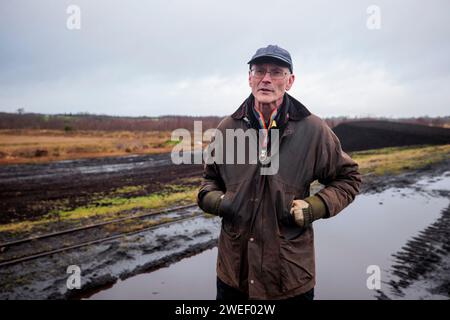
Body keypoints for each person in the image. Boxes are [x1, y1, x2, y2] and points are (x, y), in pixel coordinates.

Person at [197, 44, 362, 300]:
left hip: (289, 278)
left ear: (290, 80)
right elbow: (209, 180)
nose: (266, 78)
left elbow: (349, 178)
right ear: (249, 78)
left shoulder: (313, 130)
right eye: (259, 71)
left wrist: (315, 206)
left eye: (276, 71)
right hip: (234, 276)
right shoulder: (227, 128)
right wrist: (218, 202)